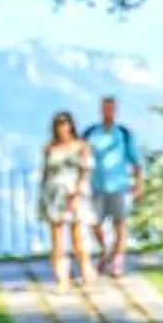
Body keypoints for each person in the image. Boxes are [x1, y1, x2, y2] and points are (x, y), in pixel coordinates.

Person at [85, 94, 145, 279]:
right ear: (100, 110)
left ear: (115, 111)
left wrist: (138, 183)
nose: (108, 112)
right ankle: (105, 252)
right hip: (97, 186)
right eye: (105, 108)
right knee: (94, 224)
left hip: (119, 185)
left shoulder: (123, 134)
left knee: (120, 224)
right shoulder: (91, 133)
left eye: (111, 109)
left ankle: (117, 259)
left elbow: (136, 161)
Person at [38, 110, 93, 288]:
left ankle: (86, 272)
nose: (62, 128)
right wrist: (42, 196)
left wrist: (77, 192)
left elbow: (84, 170)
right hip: (54, 194)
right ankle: (61, 277)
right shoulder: (49, 148)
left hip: (73, 192)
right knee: (57, 238)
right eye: (59, 125)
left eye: (65, 123)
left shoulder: (80, 146)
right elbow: (45, 173)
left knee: (77, 236)